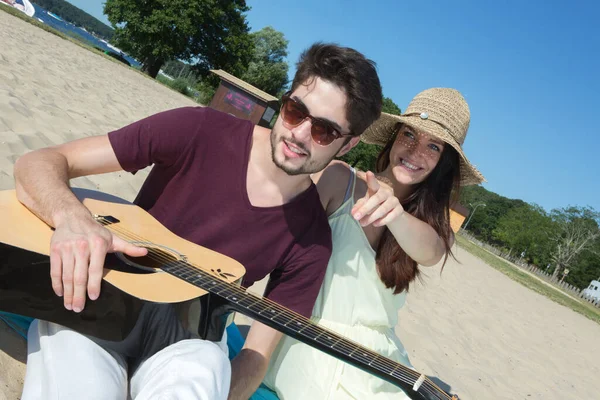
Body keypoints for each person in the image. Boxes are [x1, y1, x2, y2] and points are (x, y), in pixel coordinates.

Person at [11, 42, 383, 400]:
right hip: (102, 300)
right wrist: (72, 218)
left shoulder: (311, 240)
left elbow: (256, 356)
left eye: (324, 131)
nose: (300, 133)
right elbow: (40, 162)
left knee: (205, 369)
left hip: (192, 342)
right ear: (284, 101)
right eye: (295, 111)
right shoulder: (198, 131)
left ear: (347, 145)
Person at [258, 87, 486, 399]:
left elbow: (430, 252)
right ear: (393, 138)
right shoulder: (341, 179)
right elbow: (285, 247)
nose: (416, 152)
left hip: (379, 362)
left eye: (433, 146)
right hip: (307, 342)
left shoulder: (433, 228)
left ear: (444, 162)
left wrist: (396, 215)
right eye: (409, 135)